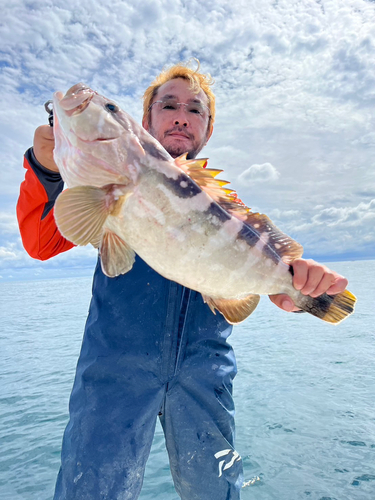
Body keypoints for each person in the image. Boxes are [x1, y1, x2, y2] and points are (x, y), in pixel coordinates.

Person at [17, 62, 348, 500]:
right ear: (146, 120)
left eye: (195, 110)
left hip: (205, 373)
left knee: (217, 491)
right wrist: (46, 169)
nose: (181, 115)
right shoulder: (101, 184)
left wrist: (296, 287)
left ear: (207, 130)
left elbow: (251, 267)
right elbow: (40, 242)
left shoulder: (229, 206)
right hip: (114, 369)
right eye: (168, 105)